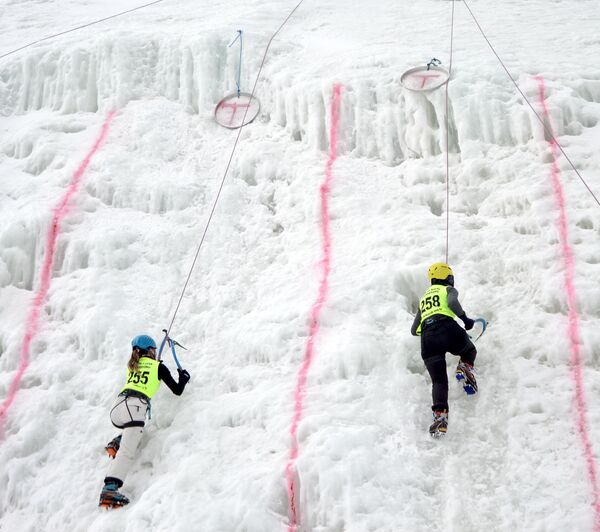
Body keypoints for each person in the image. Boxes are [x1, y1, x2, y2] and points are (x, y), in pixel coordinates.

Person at [99, 334, 190, 508]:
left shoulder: (131, 366)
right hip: (135, 407)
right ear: (149, 350)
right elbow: (177, 390)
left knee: (137, 433)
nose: (155, 353)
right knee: (128, 450)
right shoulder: (158, 367)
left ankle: (117, 441)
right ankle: (109, 489)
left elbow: (147, 370)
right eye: (153, 350)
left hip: (118, 408)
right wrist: (183, 378)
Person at [410, 263, 477, 438]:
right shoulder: (448, 289)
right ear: (447, 277)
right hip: (447, 328)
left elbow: (413, 330)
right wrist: (465, 320)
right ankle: (465, 367)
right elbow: (452, 303)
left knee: (439, 382)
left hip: (427, 339)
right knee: (469, 350)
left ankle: (440, 417)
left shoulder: (424, 299)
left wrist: (427, 327)